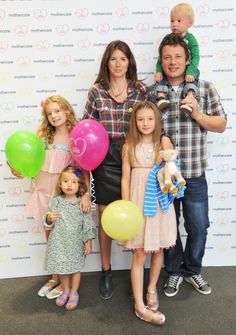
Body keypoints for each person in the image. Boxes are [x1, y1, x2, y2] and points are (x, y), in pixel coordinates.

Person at [156, 33, 227, 297]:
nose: (172, 62)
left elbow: (221, 124)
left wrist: (196, 113)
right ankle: (173, 272)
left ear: (187, 59)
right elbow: (144, 129)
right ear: (161, 61)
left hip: (195, 174)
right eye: (167, 57)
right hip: (165, 176)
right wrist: (160, 138)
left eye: (177, 56)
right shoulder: (153, 92)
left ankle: (193, 270)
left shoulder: (204, 88)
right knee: (168, 228)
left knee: (198, 226)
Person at [82, 40, 154, 299]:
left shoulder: (140, 90)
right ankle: (105, 271)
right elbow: (85, 130)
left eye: (123, 59)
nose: (118, 64)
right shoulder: (96, 92)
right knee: (104, 216)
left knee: (138, 210)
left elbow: (153, 118)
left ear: (129, 63)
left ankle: (141, 269)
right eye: (113, 59)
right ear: (106, 63)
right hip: (103, 157)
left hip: (131, 156)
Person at [8, 95, 91, 299]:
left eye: (57, 110)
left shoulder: (76, 135)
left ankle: (67, 281)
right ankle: (55, 277)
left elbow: (84, 167)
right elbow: (29, 155)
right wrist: (17, 168)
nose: (54, 116)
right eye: (49, 113)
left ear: (67, 110)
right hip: (43, 188)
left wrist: (86, 194)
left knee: (65, 237)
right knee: (50, 234)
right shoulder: (43, 134)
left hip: (64, 194)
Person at [121, 101, 177, 325]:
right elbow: (125, 178)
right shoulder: (128, 145)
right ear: (135, 121)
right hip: (137, 201)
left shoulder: (162, 143)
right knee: (139, 253)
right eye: (141, 119)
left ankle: (151, 288)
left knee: (157, 248)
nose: (145, 123)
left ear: (157, 121)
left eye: (150, 119)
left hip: (158, 201)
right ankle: (138, 303)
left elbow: (171, 168)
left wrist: (165, 144)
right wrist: (126, 206)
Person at [43, 166, 96, 310]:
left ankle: (74, 292)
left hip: (76, 243)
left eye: (74, 182)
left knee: (75, 269)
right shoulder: (56, 201)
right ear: (60, 183)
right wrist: (49, 217)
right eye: (65, 181)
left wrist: (89, 243)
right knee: (62, 269)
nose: (69, 185)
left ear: (80, 184)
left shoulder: (82, 203)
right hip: (59, 242)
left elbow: (88, 224)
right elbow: (46, 219)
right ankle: (65, 290)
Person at [154, 3, 200, 114]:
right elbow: (161, 58)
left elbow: (196, 57)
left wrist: (190, 71)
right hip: (169, 77)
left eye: (179, 21)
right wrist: (159, 70)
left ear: (189, 23)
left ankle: (189, 96)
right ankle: (161, 96)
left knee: (195, 75)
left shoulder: (191, 39)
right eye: (172, 21)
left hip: (189, 67)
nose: (174, 24)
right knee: (160, 77)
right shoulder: (168, 39)